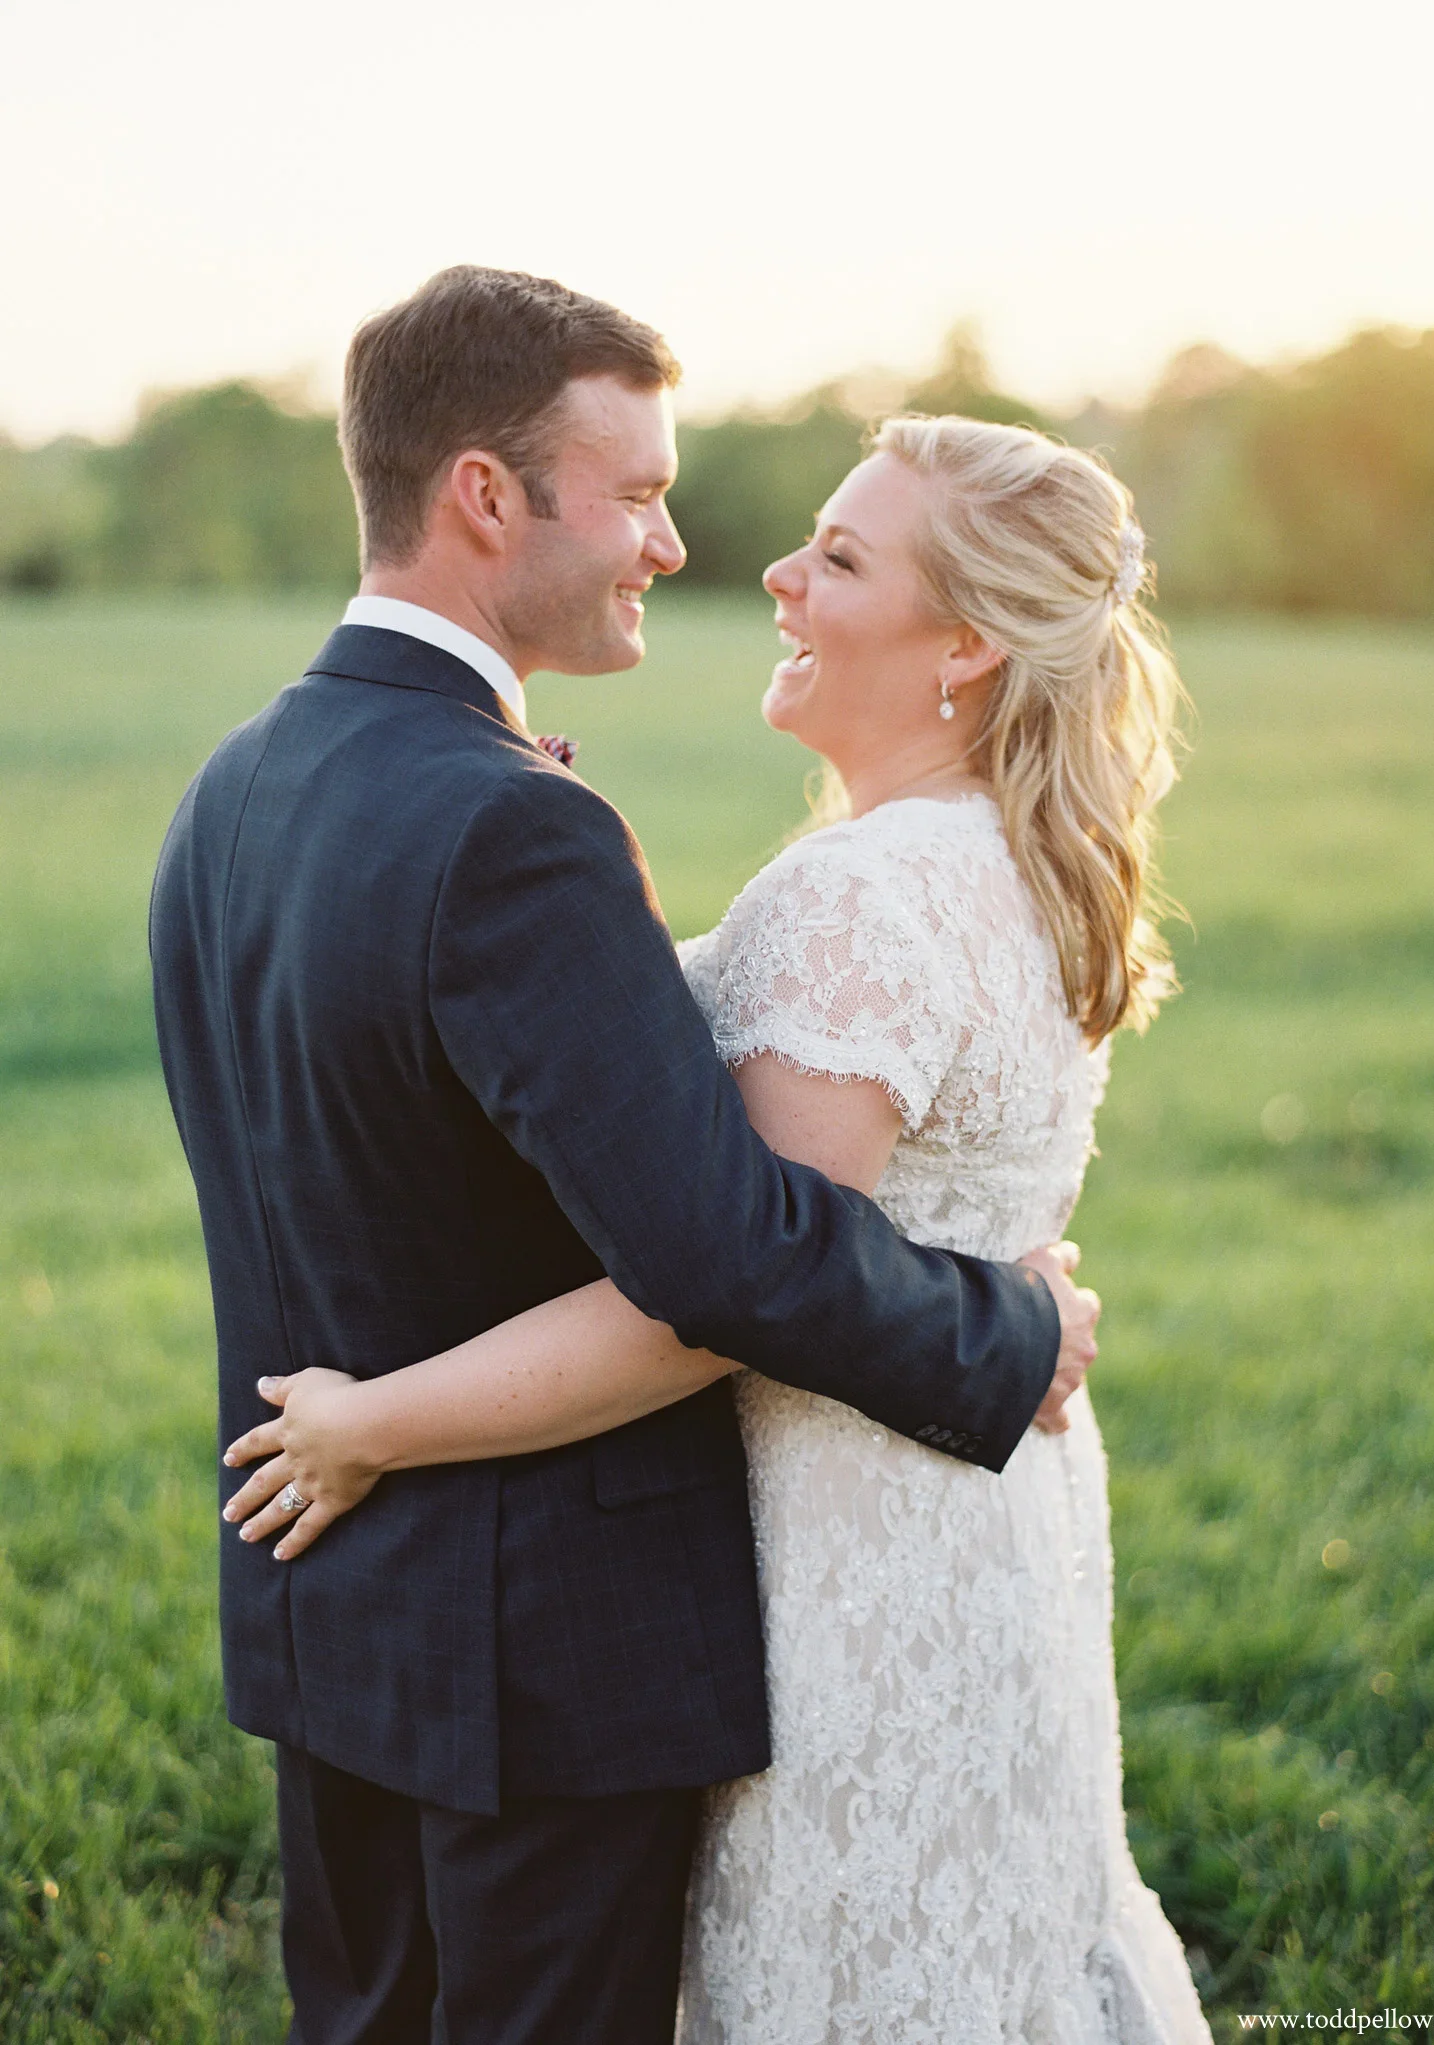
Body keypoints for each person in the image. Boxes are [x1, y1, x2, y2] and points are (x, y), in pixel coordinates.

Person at [151, 266, 1097, 2045]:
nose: (673, 543)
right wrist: (1013, 1330)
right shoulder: (512, 826)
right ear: (488, 497)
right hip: (546, 1665)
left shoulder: (236, 785)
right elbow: (725, 1254)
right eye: (641, 493)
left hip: (328, 1619)